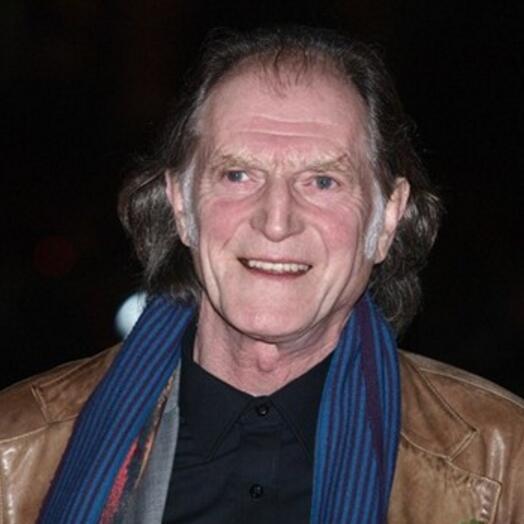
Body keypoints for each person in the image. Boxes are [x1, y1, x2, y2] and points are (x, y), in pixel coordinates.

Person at [0, 26, 522, 524]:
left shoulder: (506, 465)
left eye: (322, 181)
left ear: (387, 218)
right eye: (238, 174)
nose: (276, 221)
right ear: (181, 205)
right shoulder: (14, 451)